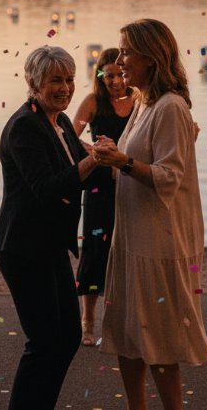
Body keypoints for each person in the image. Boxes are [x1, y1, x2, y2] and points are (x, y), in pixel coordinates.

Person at [93, 18, 207, 410]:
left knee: (157, 337)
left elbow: (169, 176)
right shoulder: (144, 103)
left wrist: (123, 161)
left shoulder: (171, 107)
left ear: (151, 56)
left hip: (159, 241)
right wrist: (110, 155)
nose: (119, 59)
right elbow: (137, 160)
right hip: (131, 237)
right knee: (128, 332)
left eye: (126, 51)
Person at [0, 45, 99, 410]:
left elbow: (81, 161)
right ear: (34, 82)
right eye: (56, 80)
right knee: (43, 343)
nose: (66, 87)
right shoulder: (25, 126)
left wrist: (117, 158)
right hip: (22, 247)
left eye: (69, 79)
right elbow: (47, 189)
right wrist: (92, 163)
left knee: (68, 337)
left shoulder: (60, 120)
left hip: (50, 244)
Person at [71, 48, 133, 347]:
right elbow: (69, 134)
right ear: (100, 76)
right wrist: (94, 150)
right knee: (96, 248)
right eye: (109, 76)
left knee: (126, 247)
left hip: (131, 182)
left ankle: (120, 319)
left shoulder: (139, 100)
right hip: (99, 187)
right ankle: (87, 321)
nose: (117, 82)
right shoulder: (94, 101)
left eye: (120, 74)